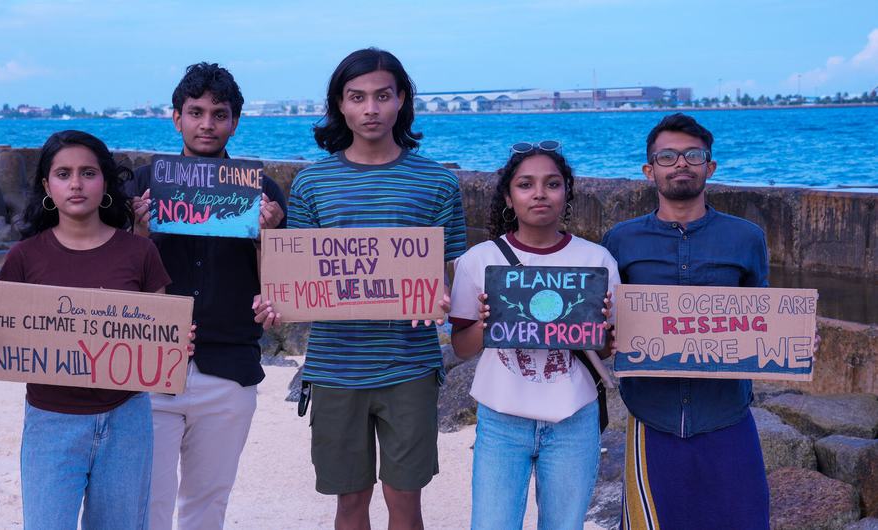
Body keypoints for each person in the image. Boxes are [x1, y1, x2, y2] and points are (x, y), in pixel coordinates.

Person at [254, 48, 467, 530]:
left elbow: (451, 273)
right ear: (340, 105)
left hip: (409, 364)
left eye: (382, 96)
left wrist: (444, 299)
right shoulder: (312, 183)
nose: (370, 108)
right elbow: (300, 279)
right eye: (357, 97)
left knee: (405, 503)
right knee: (349, 503)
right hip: (334, 367)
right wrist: (275, 302)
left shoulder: (437, 182)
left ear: (402, 100)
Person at [0, 130, 187, 529]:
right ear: (47, 185)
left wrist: (179, 343)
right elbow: (4, 331)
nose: (76, 183)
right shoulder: (23, 257)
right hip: (50, 419)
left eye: (88, 172)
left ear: (105, 181)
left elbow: (163, 332)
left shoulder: (140, 252)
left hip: (127, 418)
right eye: (63, 174)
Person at [124, 62, 287, 530]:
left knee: (208, 504)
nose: (207, 124)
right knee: (146, 503)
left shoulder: (262, 191)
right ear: (176, 118)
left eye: (219, 114)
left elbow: (281, 290)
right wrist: (138, 230)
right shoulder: (141, 183)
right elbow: (117, 281)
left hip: (228, 372)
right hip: (150, 367)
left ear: (235, 121)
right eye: (196, 112)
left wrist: (268, 237)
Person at [602, 113, 771, 529]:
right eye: (668, 156)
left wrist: (795, 341)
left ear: (710, 166)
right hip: (651, 415)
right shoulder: (621, 240)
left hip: (726, 413)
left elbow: (764, 317)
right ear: (649, 170)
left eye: (693, 154)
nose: (681, 163)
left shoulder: (746, 238)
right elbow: (606, 327)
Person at [448, 142, 618, 529]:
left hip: (574, 418)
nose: (540, 193)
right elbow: (461, 347)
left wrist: (606, 328)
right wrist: (486, 325)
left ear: (566, 193)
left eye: (552, 184)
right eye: (526, 184)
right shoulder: (479, 260)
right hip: (502, 419)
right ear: (509, 196)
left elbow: (604, 350)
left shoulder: (597, 260)